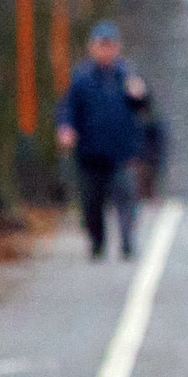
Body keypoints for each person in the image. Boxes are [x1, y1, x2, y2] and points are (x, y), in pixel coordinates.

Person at [56, 21, 144, 260]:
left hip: (121, 152)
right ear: (92, 48)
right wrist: (66, 128)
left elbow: (144, 110)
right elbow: (67, 108)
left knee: (126, 197)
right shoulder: (81, 79)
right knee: (92, 203)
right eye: (101, 45)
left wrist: (139, 94)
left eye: (110, 45)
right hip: (90, 153)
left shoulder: (127, 75)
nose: (106, 50)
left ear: (117, 47)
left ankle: (127, 240)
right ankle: (97, 242)